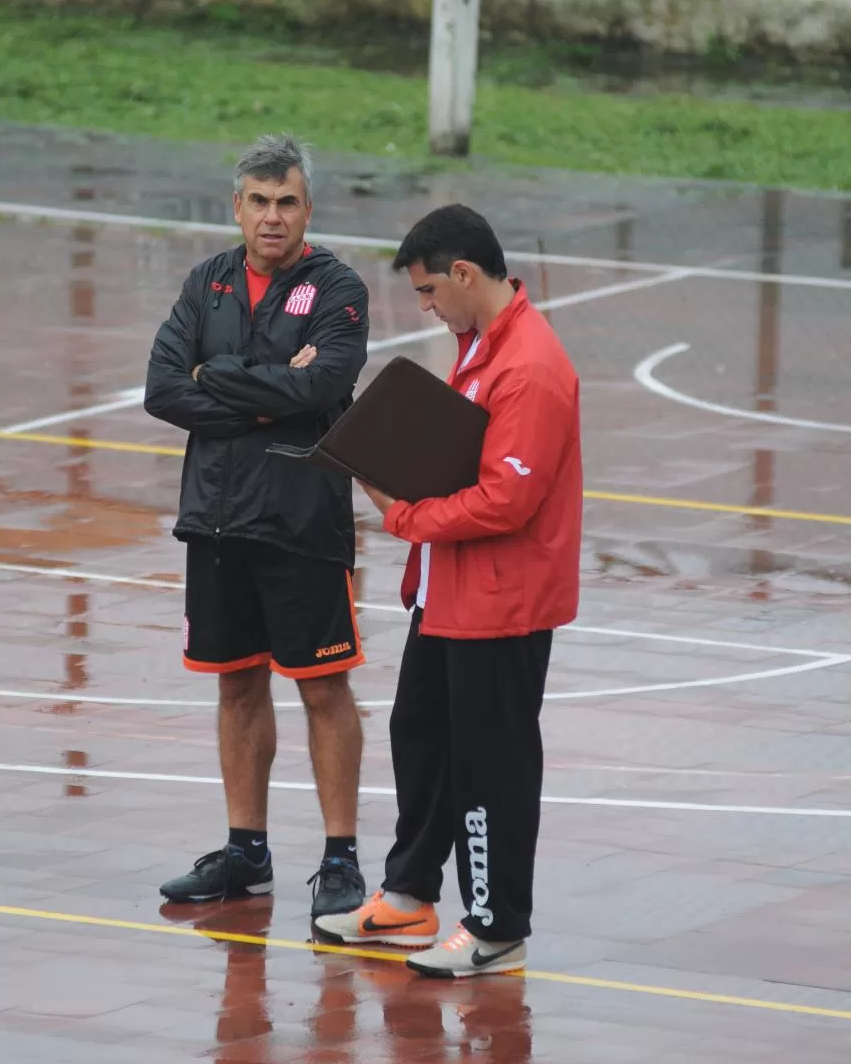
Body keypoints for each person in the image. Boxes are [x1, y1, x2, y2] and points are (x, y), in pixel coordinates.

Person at [315, 204, 582, 977]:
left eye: (430, 292)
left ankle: (496, 925)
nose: (426, 308)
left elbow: (507, 499)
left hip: (502, 602)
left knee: (489, 764)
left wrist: (406, 514)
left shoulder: (529, 365)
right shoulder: (480, 345)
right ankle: (407, 896)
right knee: (422, 735)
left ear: (465, 273)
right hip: (452, 590)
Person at [144, 133, 370, 921]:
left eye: (287, 202)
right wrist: (276, 387)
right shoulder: (206, 282)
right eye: (259, 202)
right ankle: (247, 851)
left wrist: (223, 377)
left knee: (324, 686)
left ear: (308, 209)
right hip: (215, 518)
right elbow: (163, 389)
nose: (272, 217)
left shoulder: (338, 287)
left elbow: (326, 387)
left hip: (301, 518)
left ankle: (340, 857)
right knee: (237, 682)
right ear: (235, 206)